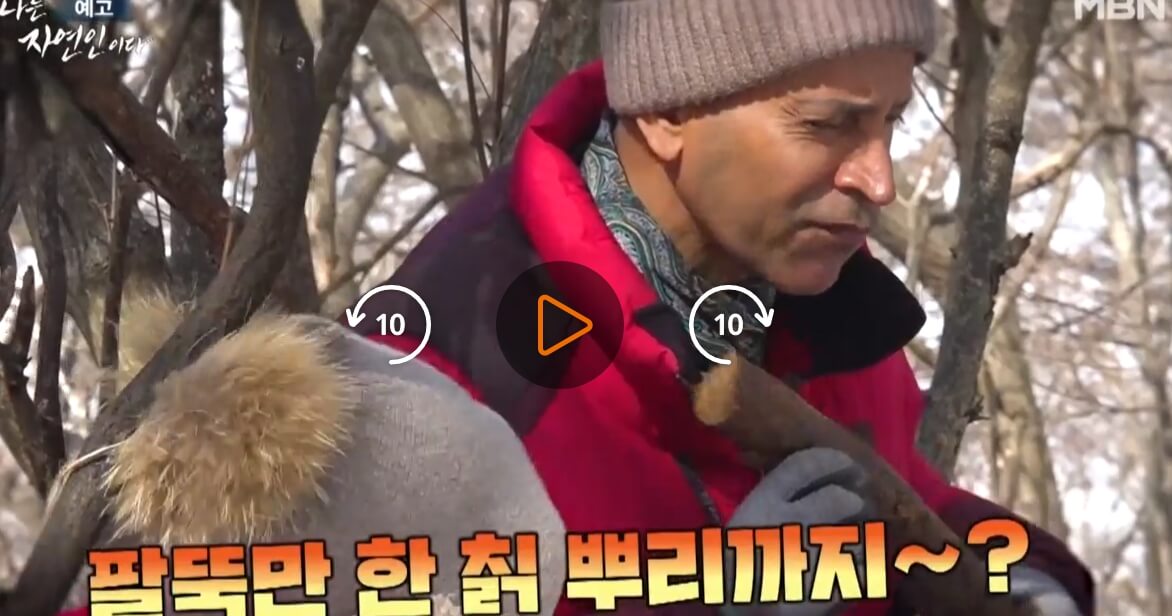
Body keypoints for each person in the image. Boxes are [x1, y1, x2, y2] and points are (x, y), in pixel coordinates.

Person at [345, 0, 1096, 615]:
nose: (880, 182)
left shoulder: (818, 292)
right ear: (669, 111)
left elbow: (908, 497)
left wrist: (1022, 577)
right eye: (827, 124)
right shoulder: (437, 378)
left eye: (890, 122)